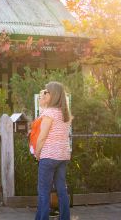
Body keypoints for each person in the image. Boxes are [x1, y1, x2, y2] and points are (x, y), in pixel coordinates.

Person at [34, 81, 72, 220]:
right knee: (62, 190)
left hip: (49, 156)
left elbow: (42, 137)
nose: (44, 93)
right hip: (62, 156)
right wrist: (43, 104)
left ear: (53, 94)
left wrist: (38, 153)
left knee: (44, 192)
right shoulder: (65, 114)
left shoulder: (49, 113)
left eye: (46, 92)